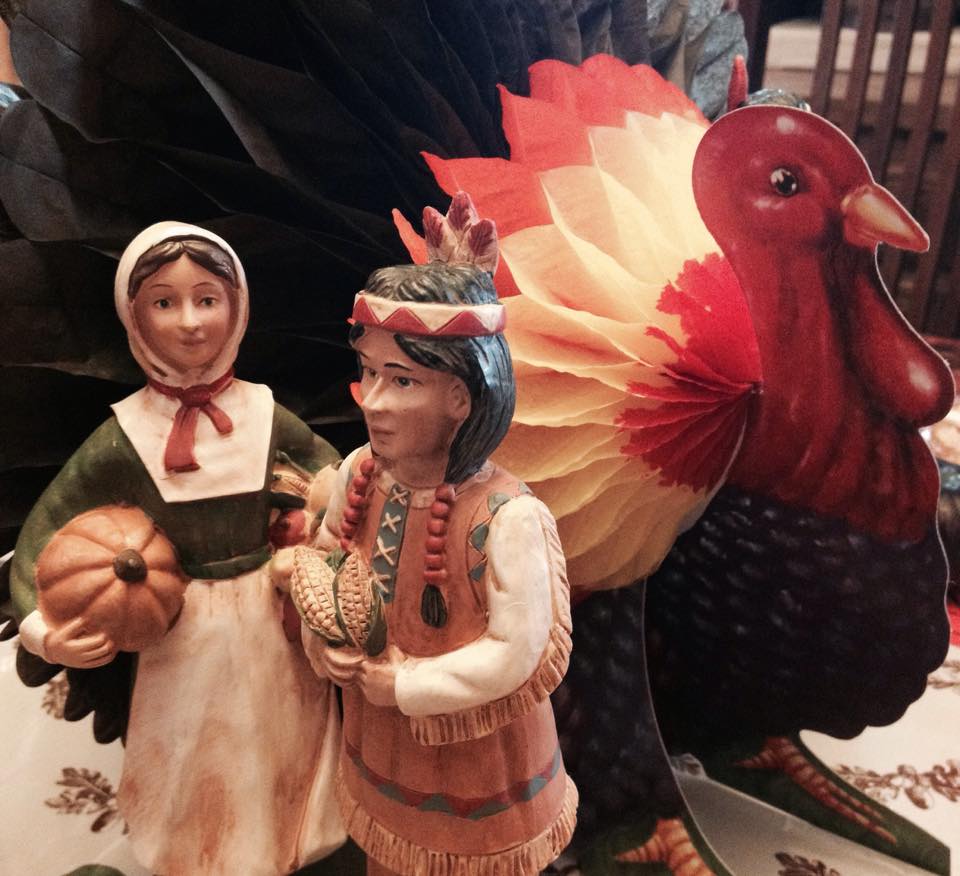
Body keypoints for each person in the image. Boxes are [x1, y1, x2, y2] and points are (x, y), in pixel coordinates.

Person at [9, 221, 345, 875]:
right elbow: (43, 534)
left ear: (237, 308)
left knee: (284, 742)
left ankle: (293, 846)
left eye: (207, 299)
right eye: (165, 302)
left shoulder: (264, 413)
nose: (190, 322)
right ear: (134, 318)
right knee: (193, 757)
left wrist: (319, 520)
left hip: (272, 623)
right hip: (180, 638)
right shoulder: (124, 436)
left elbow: (333, 477)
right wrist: (45, 631)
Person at [284, 197, 577, 876]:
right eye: (369, 372)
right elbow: (324, 565)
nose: (374, 401)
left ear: (463, 397)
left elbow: (516, 650)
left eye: (402, 380)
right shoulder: (358, 474)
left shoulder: (506, 519)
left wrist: (407, 685)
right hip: (382, 742)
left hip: (477, 761)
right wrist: (325, 643)